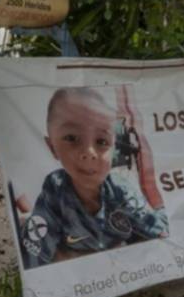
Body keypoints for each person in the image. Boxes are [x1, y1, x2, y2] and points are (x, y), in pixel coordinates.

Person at [18, 87, 167, 269]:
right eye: (72, 138)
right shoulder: (55, 189)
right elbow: (35, 257)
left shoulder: (121, 191)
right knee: (26, 225)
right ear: (52, 147)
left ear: (114, 150)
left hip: (120, 263)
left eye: (102, 142)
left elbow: (159, 235)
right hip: (91, 271)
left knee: (157, 206)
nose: (89, 153)